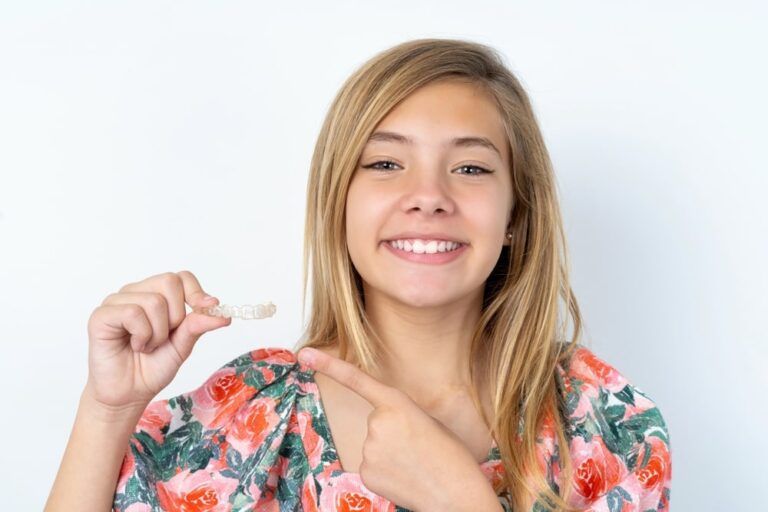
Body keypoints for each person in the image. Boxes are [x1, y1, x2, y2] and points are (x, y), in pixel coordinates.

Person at [46, 38, 671, 512]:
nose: (428, 196)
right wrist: (108, 409)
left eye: (472, 169)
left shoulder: (601, 419)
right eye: (386, 162)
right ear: (338, 205)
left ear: (516, 215)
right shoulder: (248, 413)